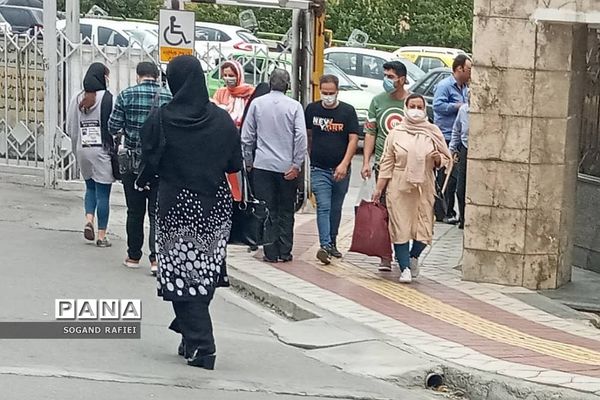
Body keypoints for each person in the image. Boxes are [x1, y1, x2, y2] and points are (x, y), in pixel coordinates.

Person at [137, 55, 242, 369]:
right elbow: (234, 163)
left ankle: (202, 344)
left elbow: (149, 158)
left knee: (180, 277)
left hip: (176, 206)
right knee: (203, 272)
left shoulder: (161, 118)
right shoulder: (221, 120)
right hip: (214, 207)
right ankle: (189, 333)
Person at [372, 94, 452, 284]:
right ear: (405, 108)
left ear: (424, 109)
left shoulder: (432, 132)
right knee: (400, 228)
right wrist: (379, 189)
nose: (416, 110)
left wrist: (438, 159)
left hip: (424, 186)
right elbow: (387, 163)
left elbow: (446, 158)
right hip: (399, 187)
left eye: (419, 107)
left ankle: (413, 256)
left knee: (424, 229)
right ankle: (405, 267)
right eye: (412, 106)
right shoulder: (396, 133)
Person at [108, 62, 172, 275]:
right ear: (156, 76)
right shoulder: (168, 97)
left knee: (134, 211)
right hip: (160, 163)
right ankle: (156, 259)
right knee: (156, 212)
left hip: (132, 163)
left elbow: (112, 126)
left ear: (138, 75)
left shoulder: (126, 95)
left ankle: (133, 255)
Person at [241, 69, 307, 263]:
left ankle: (270, 252)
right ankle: (285, 251)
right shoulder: (295, 106)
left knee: (267, 209)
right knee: (286, 209)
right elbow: (301, 137)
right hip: (287, 168)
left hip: (262, 165)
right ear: (288, 85)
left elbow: (246, 137)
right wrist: (296, 164)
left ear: (269, 83)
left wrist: (249, 161)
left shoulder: (257, 104)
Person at [360, 60, 409, 272]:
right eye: (385, 76)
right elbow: (371, 133)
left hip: (405, 168)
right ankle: (385, 255)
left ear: (402, 79)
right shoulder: (377, 101)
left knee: (402, 212)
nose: (387, 80)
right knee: (383, 210)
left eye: (391, 77)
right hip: (383, 166)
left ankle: (403, 252)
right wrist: (366, 161)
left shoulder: (412, 103)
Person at [305, 74, 359, 265]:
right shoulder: (312, 109)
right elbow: (308, 135)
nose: (328, 96)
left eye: (331, 93)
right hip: (319, 168)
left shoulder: (347, 111)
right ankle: (325, 245)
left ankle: (333, 242)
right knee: (323, 206)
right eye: (325, 92)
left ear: (337, 92)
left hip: (341, 170)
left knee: (336, 208)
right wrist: (311, 156)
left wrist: (344, 164)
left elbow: (353, 139)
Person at [66, 62, 115, 248]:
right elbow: (114, 126)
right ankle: (102, 235)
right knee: (103, 193)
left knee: (90, 188)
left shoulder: (76, 98)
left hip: (83, 150)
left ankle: (89, 220)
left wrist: (76, 149)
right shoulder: (108, 98)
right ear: (102, 78)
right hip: (102, 152)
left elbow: (71, 127)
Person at [433, 54, 471, 225]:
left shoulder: (464, 87)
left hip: (458, 136)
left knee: (454, 178)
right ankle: (442, 211)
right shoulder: (445, 86)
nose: (470, 73)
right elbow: (437, 106)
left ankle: (449, 210)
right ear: (459, 69)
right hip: (446, 135)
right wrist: (458, 106)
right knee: (446, 175)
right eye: (468, 69)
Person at [240, 82, 271, 253]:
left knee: (255, 201)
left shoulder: (254, 107)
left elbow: (246, 137)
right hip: (271, 163)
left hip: (255, 163)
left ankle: (254, 236)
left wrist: (248, 161)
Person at [212, 60, 255, 128]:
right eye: (225, 75)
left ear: (239, 76)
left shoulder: (249, 92)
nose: (227, 78)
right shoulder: (220, 92)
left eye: (231, 75)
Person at [449, 97, 470, 230]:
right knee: (460, 189)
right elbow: (456, 130)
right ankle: (463, 219)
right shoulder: (463, 110)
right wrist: (452, 150)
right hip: (465, 149)